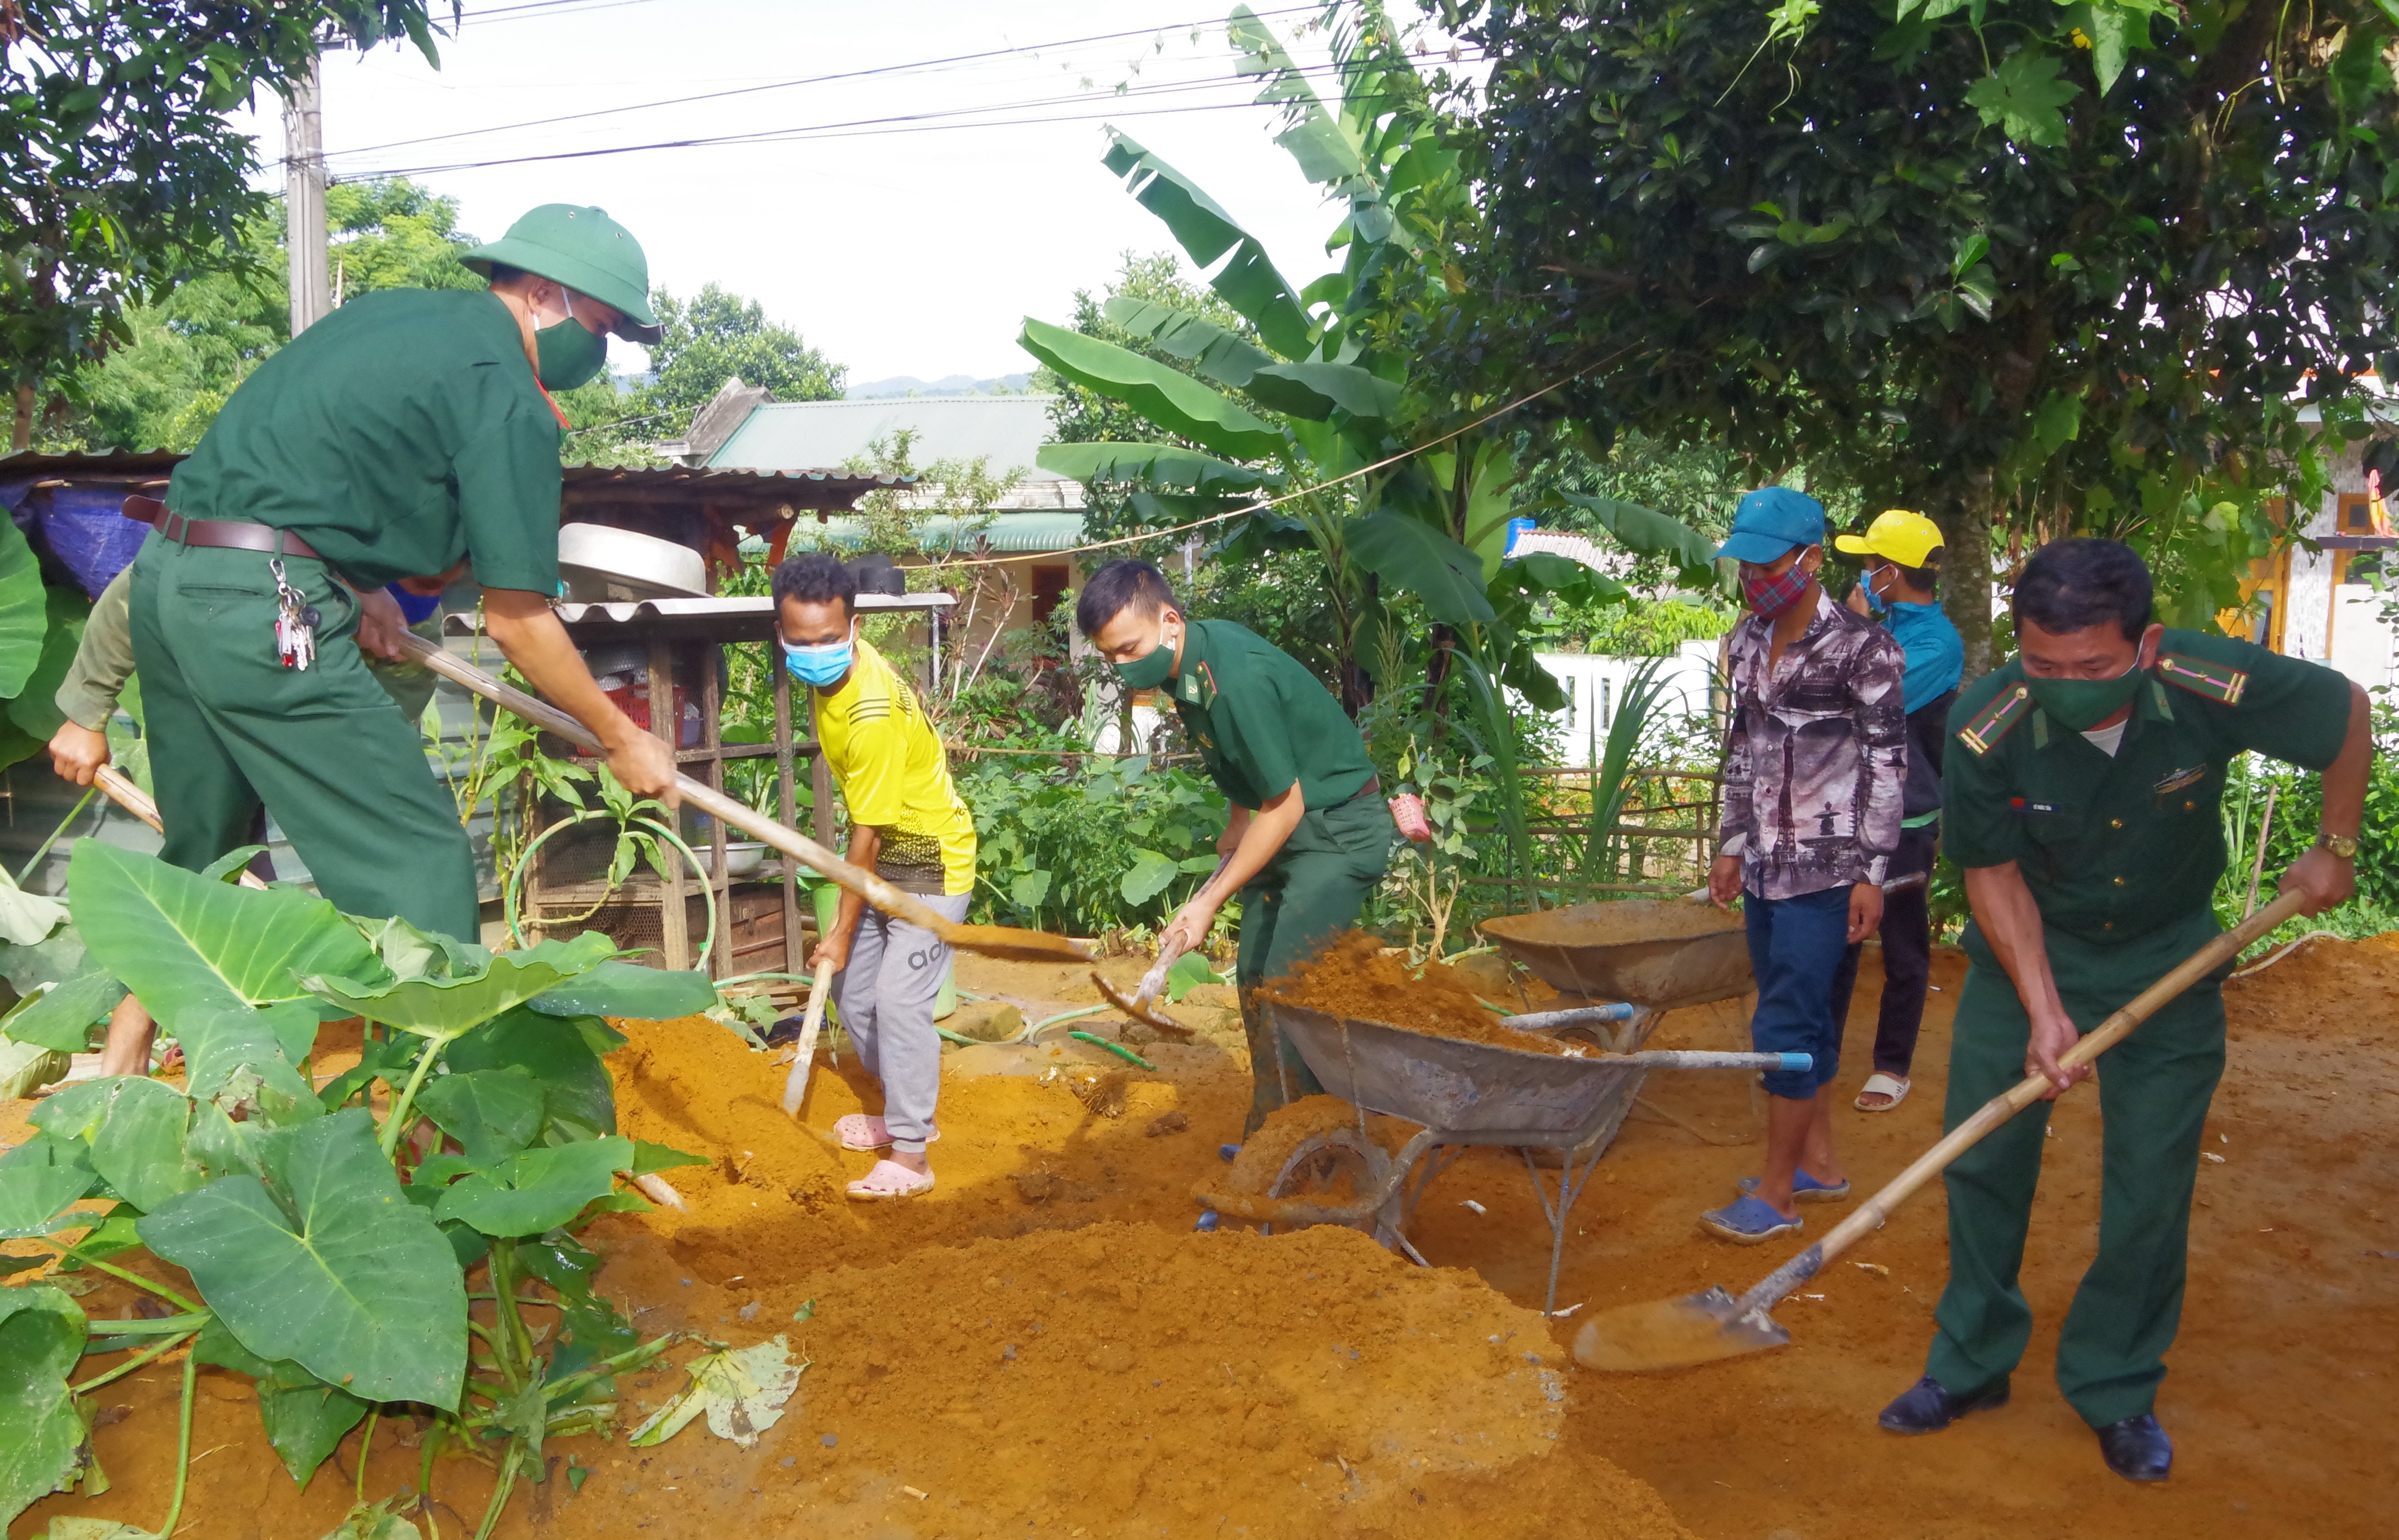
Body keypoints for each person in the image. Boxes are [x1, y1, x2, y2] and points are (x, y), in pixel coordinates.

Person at [1880, 538, 2368, 1482]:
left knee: (2149, 1181)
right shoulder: (1987, 723)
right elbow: (1991, 875)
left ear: (2144, 645)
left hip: (2168, 956)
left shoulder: (2204, 682)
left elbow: (2344, 711)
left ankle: (2116, 1384)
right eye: (2043, 665)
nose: (2065, 687)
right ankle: (1971, 1362)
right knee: (1984, 1160)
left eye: (2092, 667)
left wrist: (2335, 846)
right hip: (2027, 951)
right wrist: (2042, 1009)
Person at [75, 203, 678, 958]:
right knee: (417, 865)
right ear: (541, 292)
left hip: (169, 575)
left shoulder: (391, 316)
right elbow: (517, 621)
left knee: (205, 853)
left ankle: (141, 1028)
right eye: (601, 325)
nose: (601, 349)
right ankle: (437, 1036)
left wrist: (356, 585)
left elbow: (304, 474)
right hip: (263, 602)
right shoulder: (503, 391)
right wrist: (620, 738)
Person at [47, 567, 460, 1076]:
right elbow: (141, 588)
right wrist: (85, 711)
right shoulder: (250, 567)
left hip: (324, 711)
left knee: (395, 863)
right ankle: (138, 1035)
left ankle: (417, 1060)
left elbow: (376, 770)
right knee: (203, 858)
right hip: (219, 671)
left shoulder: (410, 635)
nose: (387, 628)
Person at [1075, 560, 1393, 1135]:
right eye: (1109, 656)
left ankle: (1311, 1133)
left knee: (1288, 983)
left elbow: (1287, 804)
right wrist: (1237, 818)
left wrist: (1207, 902)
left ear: (1170, 621)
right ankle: (1276, 1125)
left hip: (1337, 832)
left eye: (1128, 649)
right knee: (1253, 974)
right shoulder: (1183, 667)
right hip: (1286, 827)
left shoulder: (1236, 676)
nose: (1122, 666)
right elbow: (1237, 753)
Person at [1704, 488, 1907, 1242]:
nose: (1754, 580)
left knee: (1785, 1025)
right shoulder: (1745, 641)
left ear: (1811, 559)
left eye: (1767, 566)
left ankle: (1778, 1196)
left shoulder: (1864, 650)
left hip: (1828, 872)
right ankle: (1818, 1164)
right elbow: (1742, 748)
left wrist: (1872, 874)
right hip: (1763, 864)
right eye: (1745, 566)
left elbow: (1888, 767)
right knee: (1806, 1014)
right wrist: (1731, 844)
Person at [774, 552, 978, 1201]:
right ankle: (902, 1109)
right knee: (854, 993)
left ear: (854, 627)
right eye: (802, 641)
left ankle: (913, 1156)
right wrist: (844, 939)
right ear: (783, 633)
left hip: (929, 861)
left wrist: (838, 931)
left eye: (830, 639)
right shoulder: (828, 679)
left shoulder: (870, 713)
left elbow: (865, 837)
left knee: (898, 1002)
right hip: (886, 849)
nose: (816, 652)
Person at [1831, 508, 1965, 1111]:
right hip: (1845, 813)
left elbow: (1866, 701)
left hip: (1905, 820)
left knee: (1904, 946)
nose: (1862, 572)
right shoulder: (1882, 628)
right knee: (1837, 942)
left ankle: (1891, 1066)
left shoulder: (1937, 643)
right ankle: (1819, 1055)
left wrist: (1854, 631)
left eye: (1870, 563)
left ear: (1893, 572)